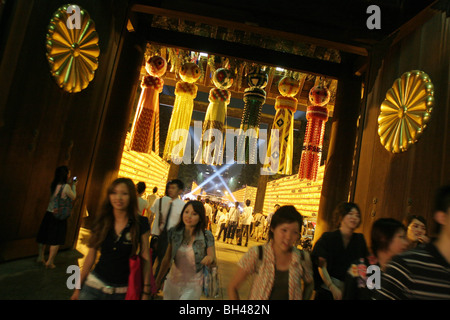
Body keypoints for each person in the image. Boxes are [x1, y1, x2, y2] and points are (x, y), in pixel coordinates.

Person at [70, 178, 152, 300]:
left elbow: (145, 257)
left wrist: (146, 290)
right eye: (114, 192)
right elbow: (91, 256)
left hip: (122, 291)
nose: (118, 197)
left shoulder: (140, 223)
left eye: (124, 193)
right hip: (94, 286)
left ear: (131, 196)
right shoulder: (103, 220)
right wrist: (78, 288)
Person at [373, 185, 450, 300]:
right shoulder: (405, 265)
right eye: (415, 226)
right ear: (442, 217)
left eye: (422, 228)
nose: (419, 231)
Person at [228, 205, 314, 300]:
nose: (288, 237)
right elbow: (233, 287)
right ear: (273, 228)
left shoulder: (302, 257)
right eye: (284, 230)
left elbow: (309, 283)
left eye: (294, 232)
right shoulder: (258, 253)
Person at [155, 200, 216, 300]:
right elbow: (167, 259)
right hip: (172, 283)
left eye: (194, 214)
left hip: (193, 285)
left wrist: (209, 258)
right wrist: (157, 281)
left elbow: (212, 255)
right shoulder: (174, 233)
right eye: (186, 212)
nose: (189, 216)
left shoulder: (206, 236)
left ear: (200, 217)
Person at [311, 202, 368, 300]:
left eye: (357, 215)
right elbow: (321, 265)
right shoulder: (328, 238)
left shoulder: (359, 240)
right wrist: (331, 287)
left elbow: (364, 266)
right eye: (350, 214)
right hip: (328, 289)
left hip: (349, 292)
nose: (354, 217)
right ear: (341, 216)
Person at [343, 218, 408, 300]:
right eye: (401, 237)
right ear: (383, 238)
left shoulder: (402, 270)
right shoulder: (359, 268)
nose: (406, 243)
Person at [36, 165, 77, 269]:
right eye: (69, 173)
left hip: (49, 213)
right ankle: (50, 262)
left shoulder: (53, 184)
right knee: (56, 238)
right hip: (58, 215)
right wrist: (74, 185)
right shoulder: (66, 187)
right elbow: (73, 197)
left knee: (44, 235)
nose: (70, 175)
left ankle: (40, 257)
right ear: (66, 175)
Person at [149, 179, 185, 279]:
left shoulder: (182, 206)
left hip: (172, 239)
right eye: (169, 187)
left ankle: (156, 284)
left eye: (173, 188)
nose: (170, 190)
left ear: (180, 191)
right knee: (155, 260)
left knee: (163, 264)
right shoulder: (168, 203)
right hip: (161, 236)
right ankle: (152, 283)